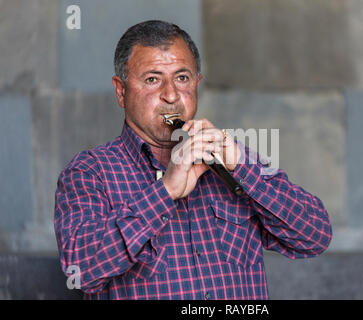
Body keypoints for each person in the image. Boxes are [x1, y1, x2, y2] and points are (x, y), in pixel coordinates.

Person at [54, 20, 332, 300]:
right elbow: (81, 270)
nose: (171, 95)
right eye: (152, 79)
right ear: (121, 91)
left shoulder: (232, 161)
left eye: (182, 78)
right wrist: (165, 191)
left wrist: (243, 167)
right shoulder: (90, 172)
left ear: (197, 84)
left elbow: (315, 237)